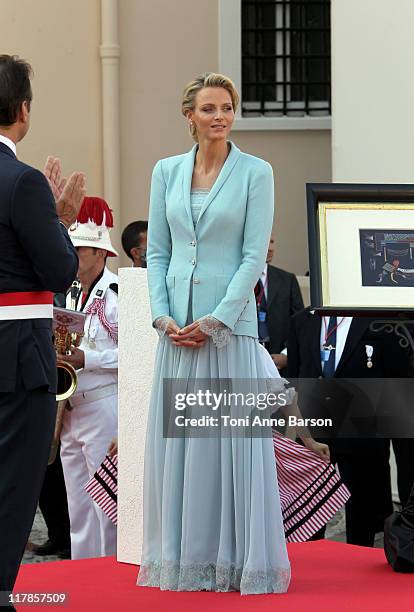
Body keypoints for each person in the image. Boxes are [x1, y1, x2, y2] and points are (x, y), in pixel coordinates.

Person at [136, 72, 336, 595]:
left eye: (227, 107)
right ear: (190, 117)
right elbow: (157, 253)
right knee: (185, 448)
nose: (220, 116)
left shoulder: (257, 172)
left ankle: (238, 562)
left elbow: (254, 258)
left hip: (229, 332)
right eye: (209, 109)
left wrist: (217, 320)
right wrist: (163, 317)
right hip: (175, 331)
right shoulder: (165, 172)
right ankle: (186, 560)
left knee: (231, 447)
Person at [0, 54, 84, 603]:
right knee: (10, 488)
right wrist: (60, 219)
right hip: (13, 354)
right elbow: (59, 269)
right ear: (22, 111)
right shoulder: (22, 181)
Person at [287, 308, 410, 546]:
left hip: (362, 433)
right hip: (315, 431)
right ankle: (310, 565)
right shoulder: (302, 321)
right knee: (309, 513)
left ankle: (360, 571)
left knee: (361, 517)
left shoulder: (377, 320)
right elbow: (295, 378)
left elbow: (396, 381)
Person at [59, 196, 118, 560]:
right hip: (71, 408)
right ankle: (81, 579)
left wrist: (89, 358)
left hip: (103, 406)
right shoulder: (69, 293)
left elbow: (139, 355)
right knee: (77, 506)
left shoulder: (117, 294)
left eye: (80, 250)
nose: (74, 256)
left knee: (106, 508)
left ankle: (108, 578)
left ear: (101, 254)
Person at [255, 235, 304, 372]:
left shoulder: (288, 280)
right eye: (265, 241)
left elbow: (301, 324)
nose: (270, 248)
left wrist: (287, 355)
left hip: (279, 368)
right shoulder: (235, 278)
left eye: (272, 242)